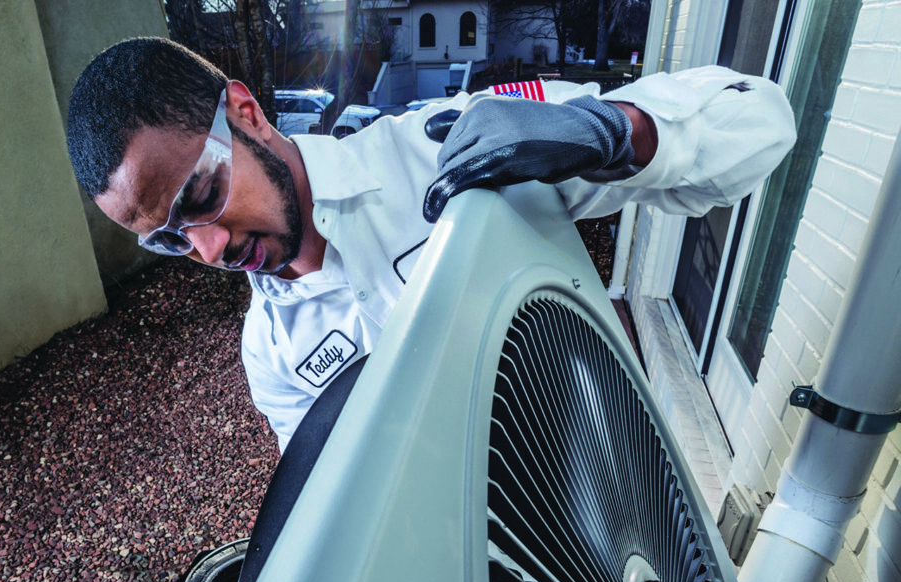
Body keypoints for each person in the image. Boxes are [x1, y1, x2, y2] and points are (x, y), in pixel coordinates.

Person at [66, 37, 795, 452]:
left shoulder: (449, 147)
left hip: (628, 535)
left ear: (247, 115)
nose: (211, 248)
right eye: (170, 240)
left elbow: (760, 123)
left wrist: (616, 132)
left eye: (200, 195)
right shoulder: (272, 356)